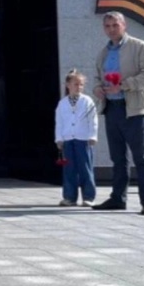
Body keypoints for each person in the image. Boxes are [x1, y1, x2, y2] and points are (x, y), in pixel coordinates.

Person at [91, 12, 144, 215]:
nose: (111, 29)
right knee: (118, 158)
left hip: (134, 109)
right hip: (112, 109)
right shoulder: (104, 51)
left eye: (115, 25)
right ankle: (117, 198)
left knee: (142, 157)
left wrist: (124, 86)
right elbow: (96, 76)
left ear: (124, 25)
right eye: (108, 26)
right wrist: (97, 88)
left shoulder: (140, 47)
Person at [54, 69, 98, 207]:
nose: (78, 87)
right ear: (68, 85)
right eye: (75, 84)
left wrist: (93, 135)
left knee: (85, 168)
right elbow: (59, 122)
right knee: (69, 169)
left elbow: (93, 120)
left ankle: (88, 196)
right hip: (68, 139)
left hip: (83, 138)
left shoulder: (87, 101)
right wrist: (59, 138)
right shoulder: (62, 103)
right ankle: (69, 197)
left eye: (81, 85)